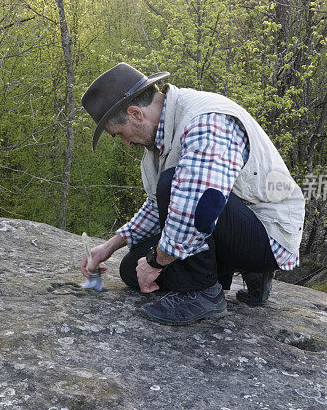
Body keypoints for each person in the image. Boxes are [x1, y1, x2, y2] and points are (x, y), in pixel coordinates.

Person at [79, 62, 305, 325]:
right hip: (227, 227)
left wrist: (156, 261)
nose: (126, 143)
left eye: (120, 134)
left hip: (267, 235)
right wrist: (108, 247)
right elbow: (156, 206)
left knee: (173, 184)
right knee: (131, 269)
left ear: (135, 113)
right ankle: (233, 273)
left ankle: (204, 292)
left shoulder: (205, 123)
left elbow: (199, 204)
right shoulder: (160, 137)